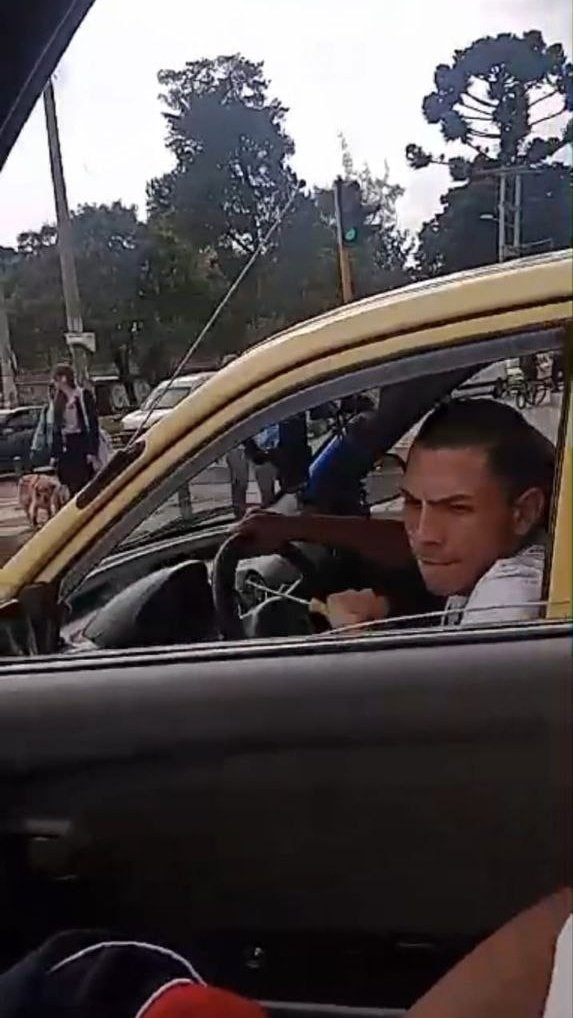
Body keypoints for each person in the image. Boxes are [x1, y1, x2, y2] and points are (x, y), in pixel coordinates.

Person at [238, 399, 555, 630]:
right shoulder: (500, 560)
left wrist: (355, 643)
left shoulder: (512, 595)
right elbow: (403, 543)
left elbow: (455, 703)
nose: (424, 535)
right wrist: (294, 527)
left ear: (524, 513)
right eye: (413, 503)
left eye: (457, 509)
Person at [50, 363, 99, 496]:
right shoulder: (58, 400)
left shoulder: (83, 395)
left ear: (64, 378)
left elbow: (92, 424)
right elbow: (56, 428)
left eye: (56, 379)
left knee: (84, 481)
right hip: (66, 445)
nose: (54, 383)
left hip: (81, 443)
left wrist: (92, 451)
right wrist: (55, 454)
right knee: (68, 482)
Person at [29, 383, 55, 468]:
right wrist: (34, 447)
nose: (52, 394)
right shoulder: (46, 409)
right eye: (51, 391)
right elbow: (40, 430)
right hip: (50, 446)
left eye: (55, 391)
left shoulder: (65, 407)